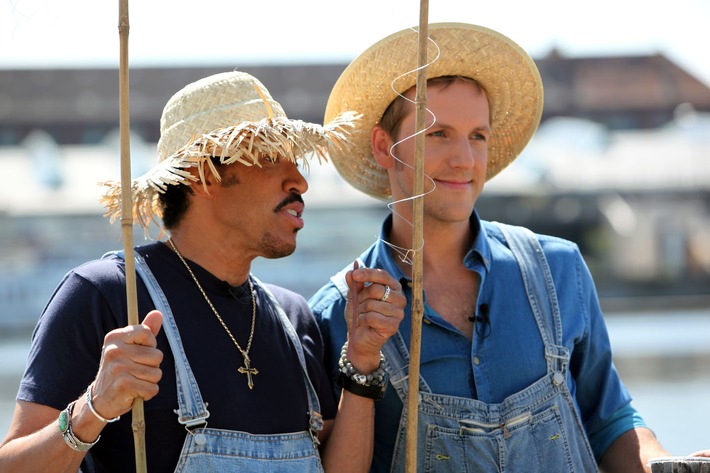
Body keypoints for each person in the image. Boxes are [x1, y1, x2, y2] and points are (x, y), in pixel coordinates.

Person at [0, 71, 405, 472]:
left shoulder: (293, 316)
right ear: (204, 175)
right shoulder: (106, 294)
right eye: (268, 157)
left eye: (296, 161)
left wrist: (362, 360)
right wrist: (94, 408)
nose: (300, 181)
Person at [309, 23, 671, 472]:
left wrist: (659, 463)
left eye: (477, 135)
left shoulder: (559, 269)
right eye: (438, 134)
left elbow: (610, 421)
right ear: (385, 147)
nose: (464, 158)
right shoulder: (332, 317)